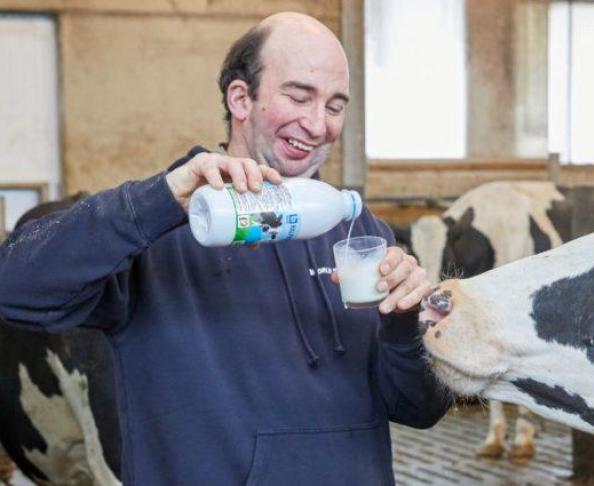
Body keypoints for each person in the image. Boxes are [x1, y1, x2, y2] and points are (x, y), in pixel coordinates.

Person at [0, 12, 451, 485]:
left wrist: (404, 326)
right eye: (298, 97)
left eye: (335, 106)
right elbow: (14, 288)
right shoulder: (161, 232)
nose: (318, 124)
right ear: (241, 97)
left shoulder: (357, 230)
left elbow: (419, 409)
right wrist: (153, 203)